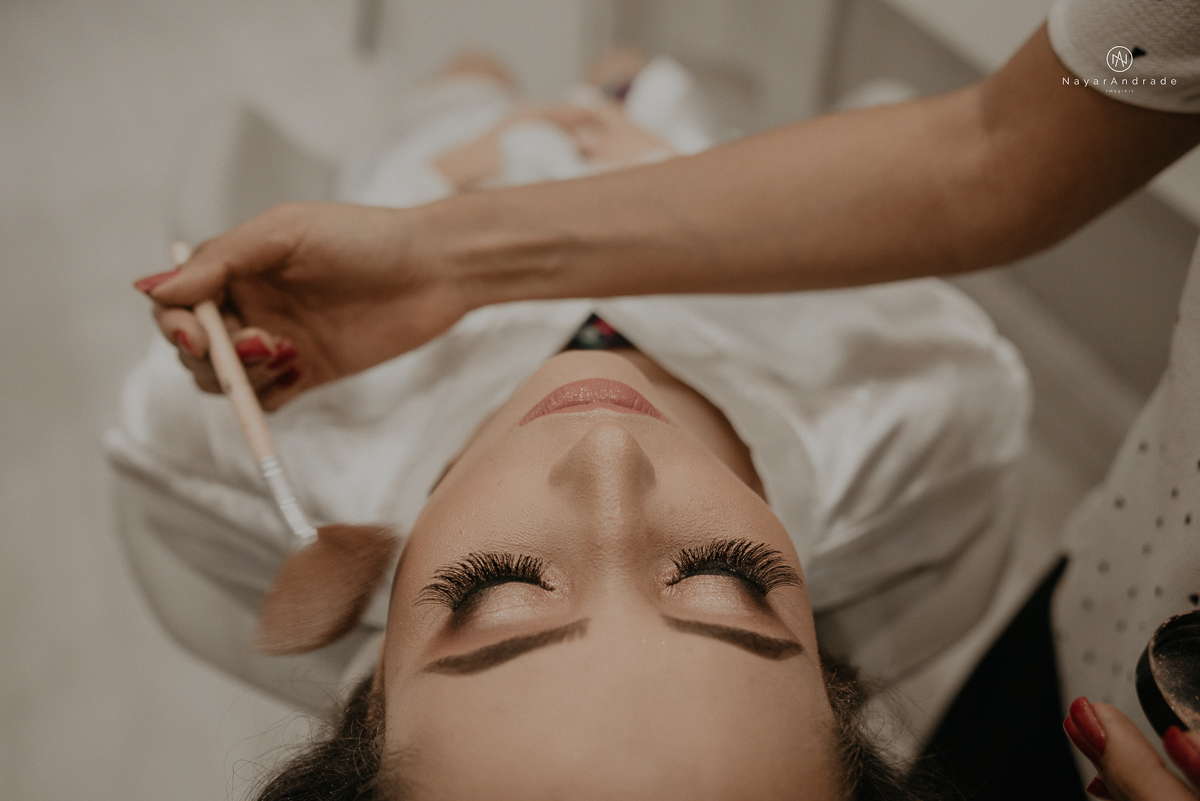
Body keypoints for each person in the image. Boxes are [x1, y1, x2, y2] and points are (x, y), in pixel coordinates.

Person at [111, 50, 1033, 800]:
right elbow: (936, 293)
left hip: (459, 175)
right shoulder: (914, 418)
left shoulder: (284, 443)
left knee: (470, 74)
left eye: (496, 588)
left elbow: (158, 423)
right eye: (724, 579)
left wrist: (469, 165)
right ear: (836, 687)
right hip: (690, 162)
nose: (608, 451)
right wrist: (652, 157)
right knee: (642, 71)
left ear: (372, 695)